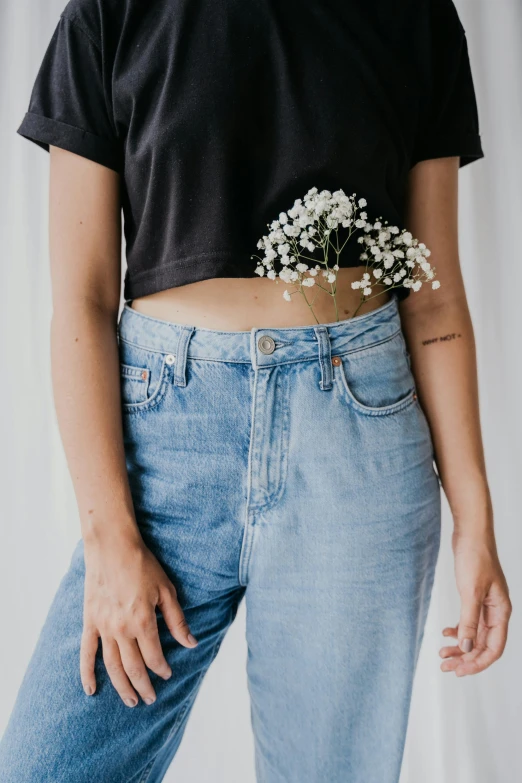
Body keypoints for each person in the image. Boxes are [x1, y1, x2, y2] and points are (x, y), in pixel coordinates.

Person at [0, 0, 511, 781]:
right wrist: (109, 537)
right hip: (164, 443)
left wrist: (475, 517)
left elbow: (432, 298)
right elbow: (81, 297)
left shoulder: (415, 16)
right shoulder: (110, 14)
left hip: (357, 441)